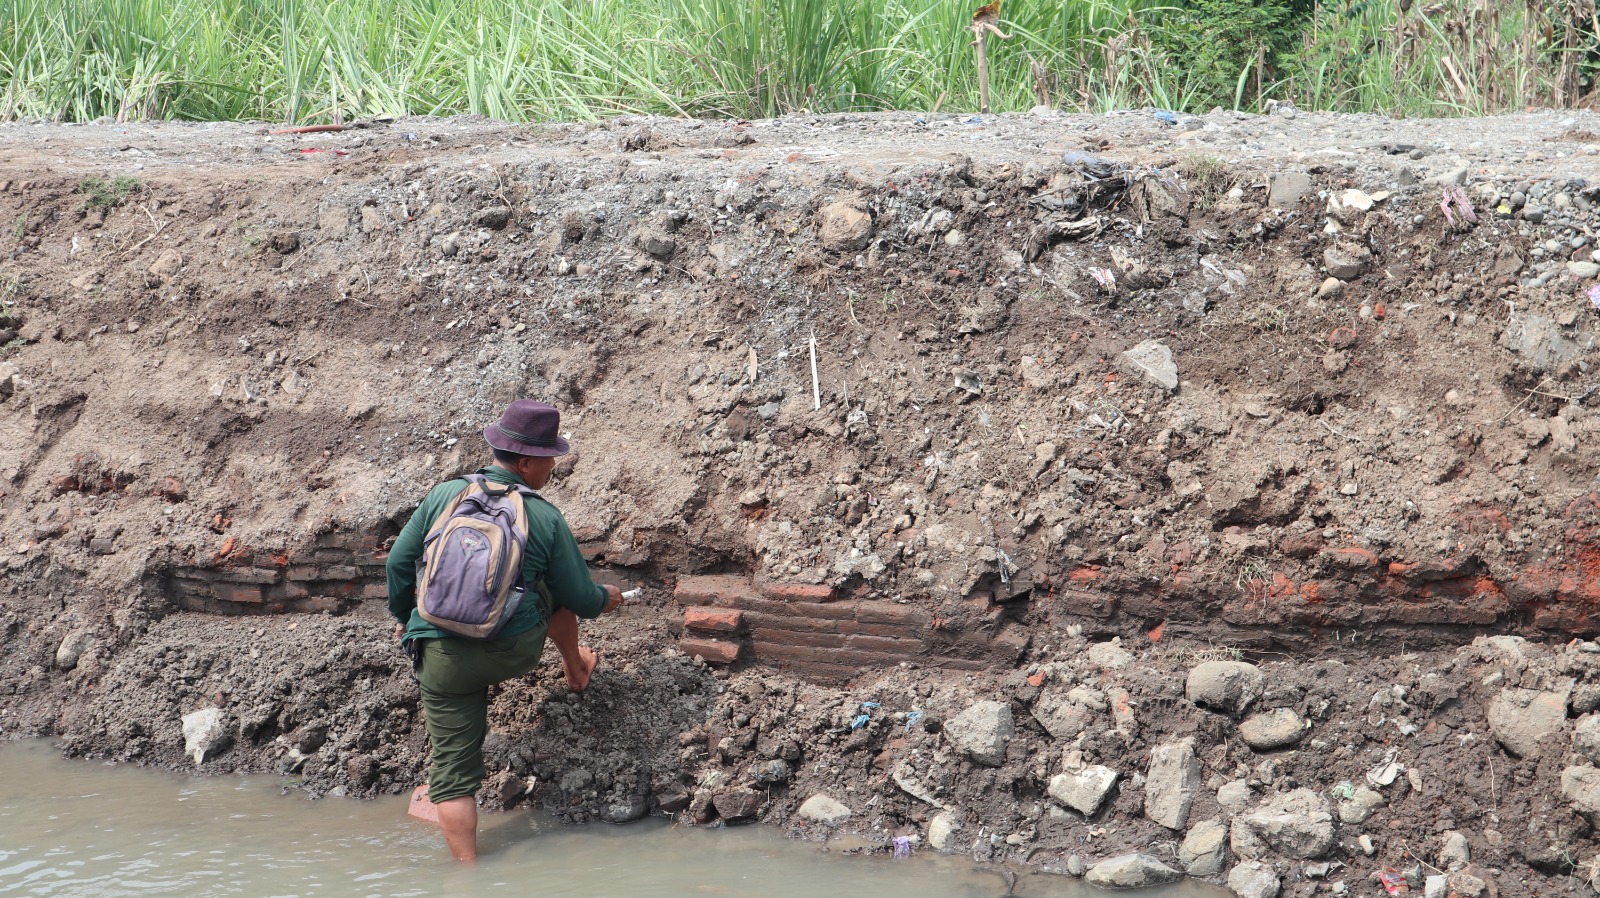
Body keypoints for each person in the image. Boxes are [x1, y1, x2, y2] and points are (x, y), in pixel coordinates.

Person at [385, 399, 623, 861]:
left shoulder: (444, 494)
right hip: (511, 650)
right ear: (527, 461)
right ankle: (576, 669)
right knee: (549, 592)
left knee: (451, 776)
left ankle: (469, 876)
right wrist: (606, 599)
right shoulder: (545, 517)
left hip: (440, 655)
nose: (552, 468)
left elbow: (398, 563)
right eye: (550, 459)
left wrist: (403, 621)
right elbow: (580, 598)